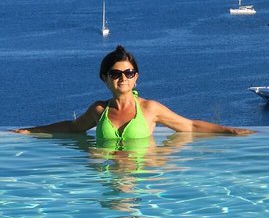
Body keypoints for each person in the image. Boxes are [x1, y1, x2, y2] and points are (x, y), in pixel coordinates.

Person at [14, 45, 254, 139]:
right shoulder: (99, 110)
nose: (123, 78)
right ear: (105, 78)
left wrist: (228, 130)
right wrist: (32, 130)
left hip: (140, 178)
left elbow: (189, 126)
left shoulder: (150, 109)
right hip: (105, 177)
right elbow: (73, 127)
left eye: (129, 73)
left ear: (136, 77)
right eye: (116, 73)